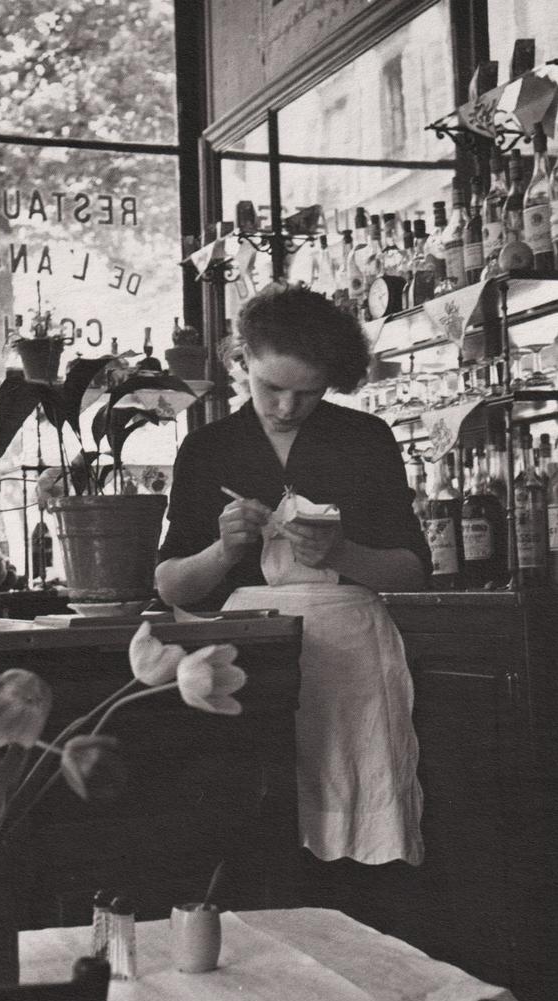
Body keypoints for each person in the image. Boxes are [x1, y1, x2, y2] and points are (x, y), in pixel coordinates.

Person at [155, 283, 432, 919]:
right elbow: (169, 586)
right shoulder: (207, 448)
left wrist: (341, 553)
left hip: (352, 658)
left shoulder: (365, 439)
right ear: (241, 362)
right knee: (259, 825)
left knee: (353, 839)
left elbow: (414, 571)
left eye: (308, 393)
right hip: (245, 657)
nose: (286, 407)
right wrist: (221, 551)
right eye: (270, 387)